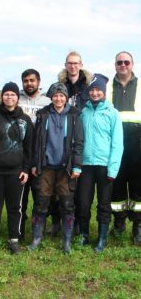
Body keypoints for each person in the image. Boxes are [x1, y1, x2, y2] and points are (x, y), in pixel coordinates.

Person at [28, 83, 83, 253]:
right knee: (41, 203)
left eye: (62, 95)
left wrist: (77, 165)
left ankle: (66, 242)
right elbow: (36, 142)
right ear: (51, 97)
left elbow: (79, 143)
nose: (58, 99)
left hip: (65, 168)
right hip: (45, 167)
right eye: (55, 95)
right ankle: (37, 238)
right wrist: (35, 164)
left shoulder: (74, 115)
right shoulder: (43, 114)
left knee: (67, 204)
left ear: (66, 98)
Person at [0, 82, 33, 255]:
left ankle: (14, 239)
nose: (9, 97)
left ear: (18, 98)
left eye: (13, 94)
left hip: (16, 172)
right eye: (6, 94)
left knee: (15, 207)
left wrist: (26, 169)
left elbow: (29, 147)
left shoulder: (25, 120)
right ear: (2, 97)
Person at [46, 51, 92, 237]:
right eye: (69, 63)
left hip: (81, 136)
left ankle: (79, 224)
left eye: (76, 63)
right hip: (61, 139)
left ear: (81, 64)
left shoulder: (88, 86)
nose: (72, 66)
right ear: (66, 65)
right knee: (58, 187)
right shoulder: (61, 85)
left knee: (78, 188)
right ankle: (56, 222)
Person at [77, 74, 123, 252]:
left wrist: (113, 169)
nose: (95, 93)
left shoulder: (112, 113)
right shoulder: (84, 112)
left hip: (105, 166)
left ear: (104, 92)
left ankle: (102, 238)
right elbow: (79, 140)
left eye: (98, 90)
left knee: (104, 203)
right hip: (86, 165)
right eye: (92, 90)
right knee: (83, 201)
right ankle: (84, 235)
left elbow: (117, 144)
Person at [107, 51, 141, 245]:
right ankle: (118, 224)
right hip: (115, 145)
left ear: (132, 64)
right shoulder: (107, 86)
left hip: (138, 144)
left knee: (139, 187)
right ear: (115, 65)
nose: (123, 65)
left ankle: (138, 226)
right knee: (117, 185)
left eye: (126, 62)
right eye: (119, 62)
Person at [18, 69, 50, 240]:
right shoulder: (17, 99)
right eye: (26, 80)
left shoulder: (48, 101)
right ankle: (19, 232)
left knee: (40, 198)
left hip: (40, 157)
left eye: (32, 80)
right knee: (20, 200)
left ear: (38, 81)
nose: (29, 83)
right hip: (20, 156)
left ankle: (38, 233)